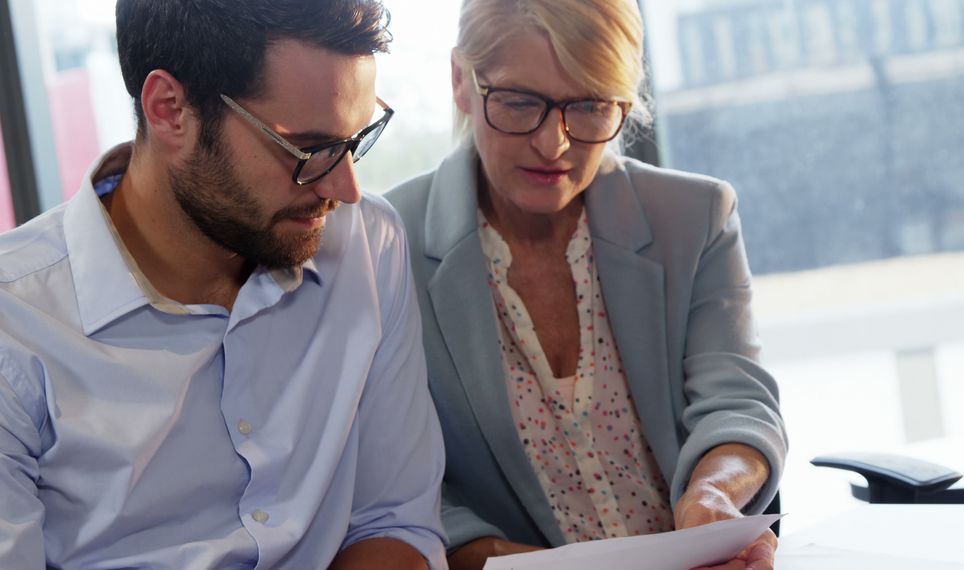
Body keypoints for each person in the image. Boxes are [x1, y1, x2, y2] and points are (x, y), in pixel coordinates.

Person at [0, 1, 447, 568]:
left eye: (357, 139)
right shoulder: (16, 330)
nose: (346, 187)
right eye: (308, 149)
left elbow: (396, 522)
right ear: (170, 110)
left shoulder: (367, 246)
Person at [386, 1, 787, 569]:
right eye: (521, 102)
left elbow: (739, 403)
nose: (554, 145)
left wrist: (713, 495)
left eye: (591, 107)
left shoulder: (694, 217)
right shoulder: (386, 247)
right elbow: (397, 489)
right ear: (461, 81)